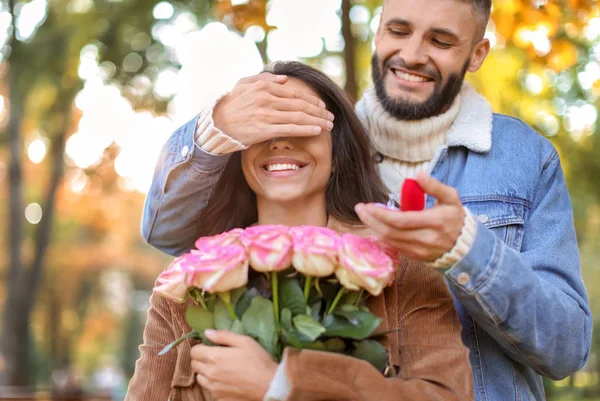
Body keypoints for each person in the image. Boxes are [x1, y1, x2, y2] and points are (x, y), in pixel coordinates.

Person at [140, 0, 592, 399]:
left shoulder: (525, 158)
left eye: (441, 40)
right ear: (377, 30)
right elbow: (170, 234)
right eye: (398, 30)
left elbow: (566, 348)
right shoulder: (323, 133)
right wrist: (211, 131)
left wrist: (468, 250)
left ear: (477, 54)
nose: (412, 54)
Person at [126, 61, 474, 401]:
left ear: (337, 154)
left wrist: (283, 385)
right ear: (238, 156)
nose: (279, 142)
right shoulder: (184, 286)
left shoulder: (404, 269)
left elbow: (445, 394)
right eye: (262, 126)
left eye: (301, 123)